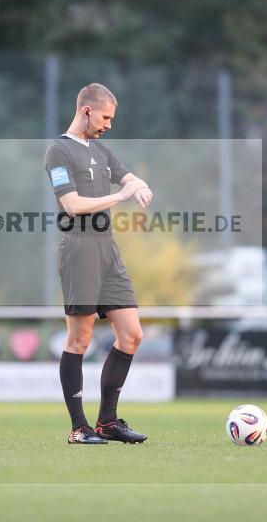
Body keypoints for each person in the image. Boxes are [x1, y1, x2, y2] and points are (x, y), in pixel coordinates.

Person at [44, 83, 153, 445]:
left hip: (108, 249)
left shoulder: (101, 151)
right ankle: (79, 428)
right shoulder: (58, 151)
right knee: (80, 339)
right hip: (79, 248)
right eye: (106, 117)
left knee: (132, 334)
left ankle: (108, 422)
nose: (109, 124)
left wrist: (136, 183)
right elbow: (72, 205)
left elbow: (128, 175)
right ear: (87, 110)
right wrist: (121, 195)